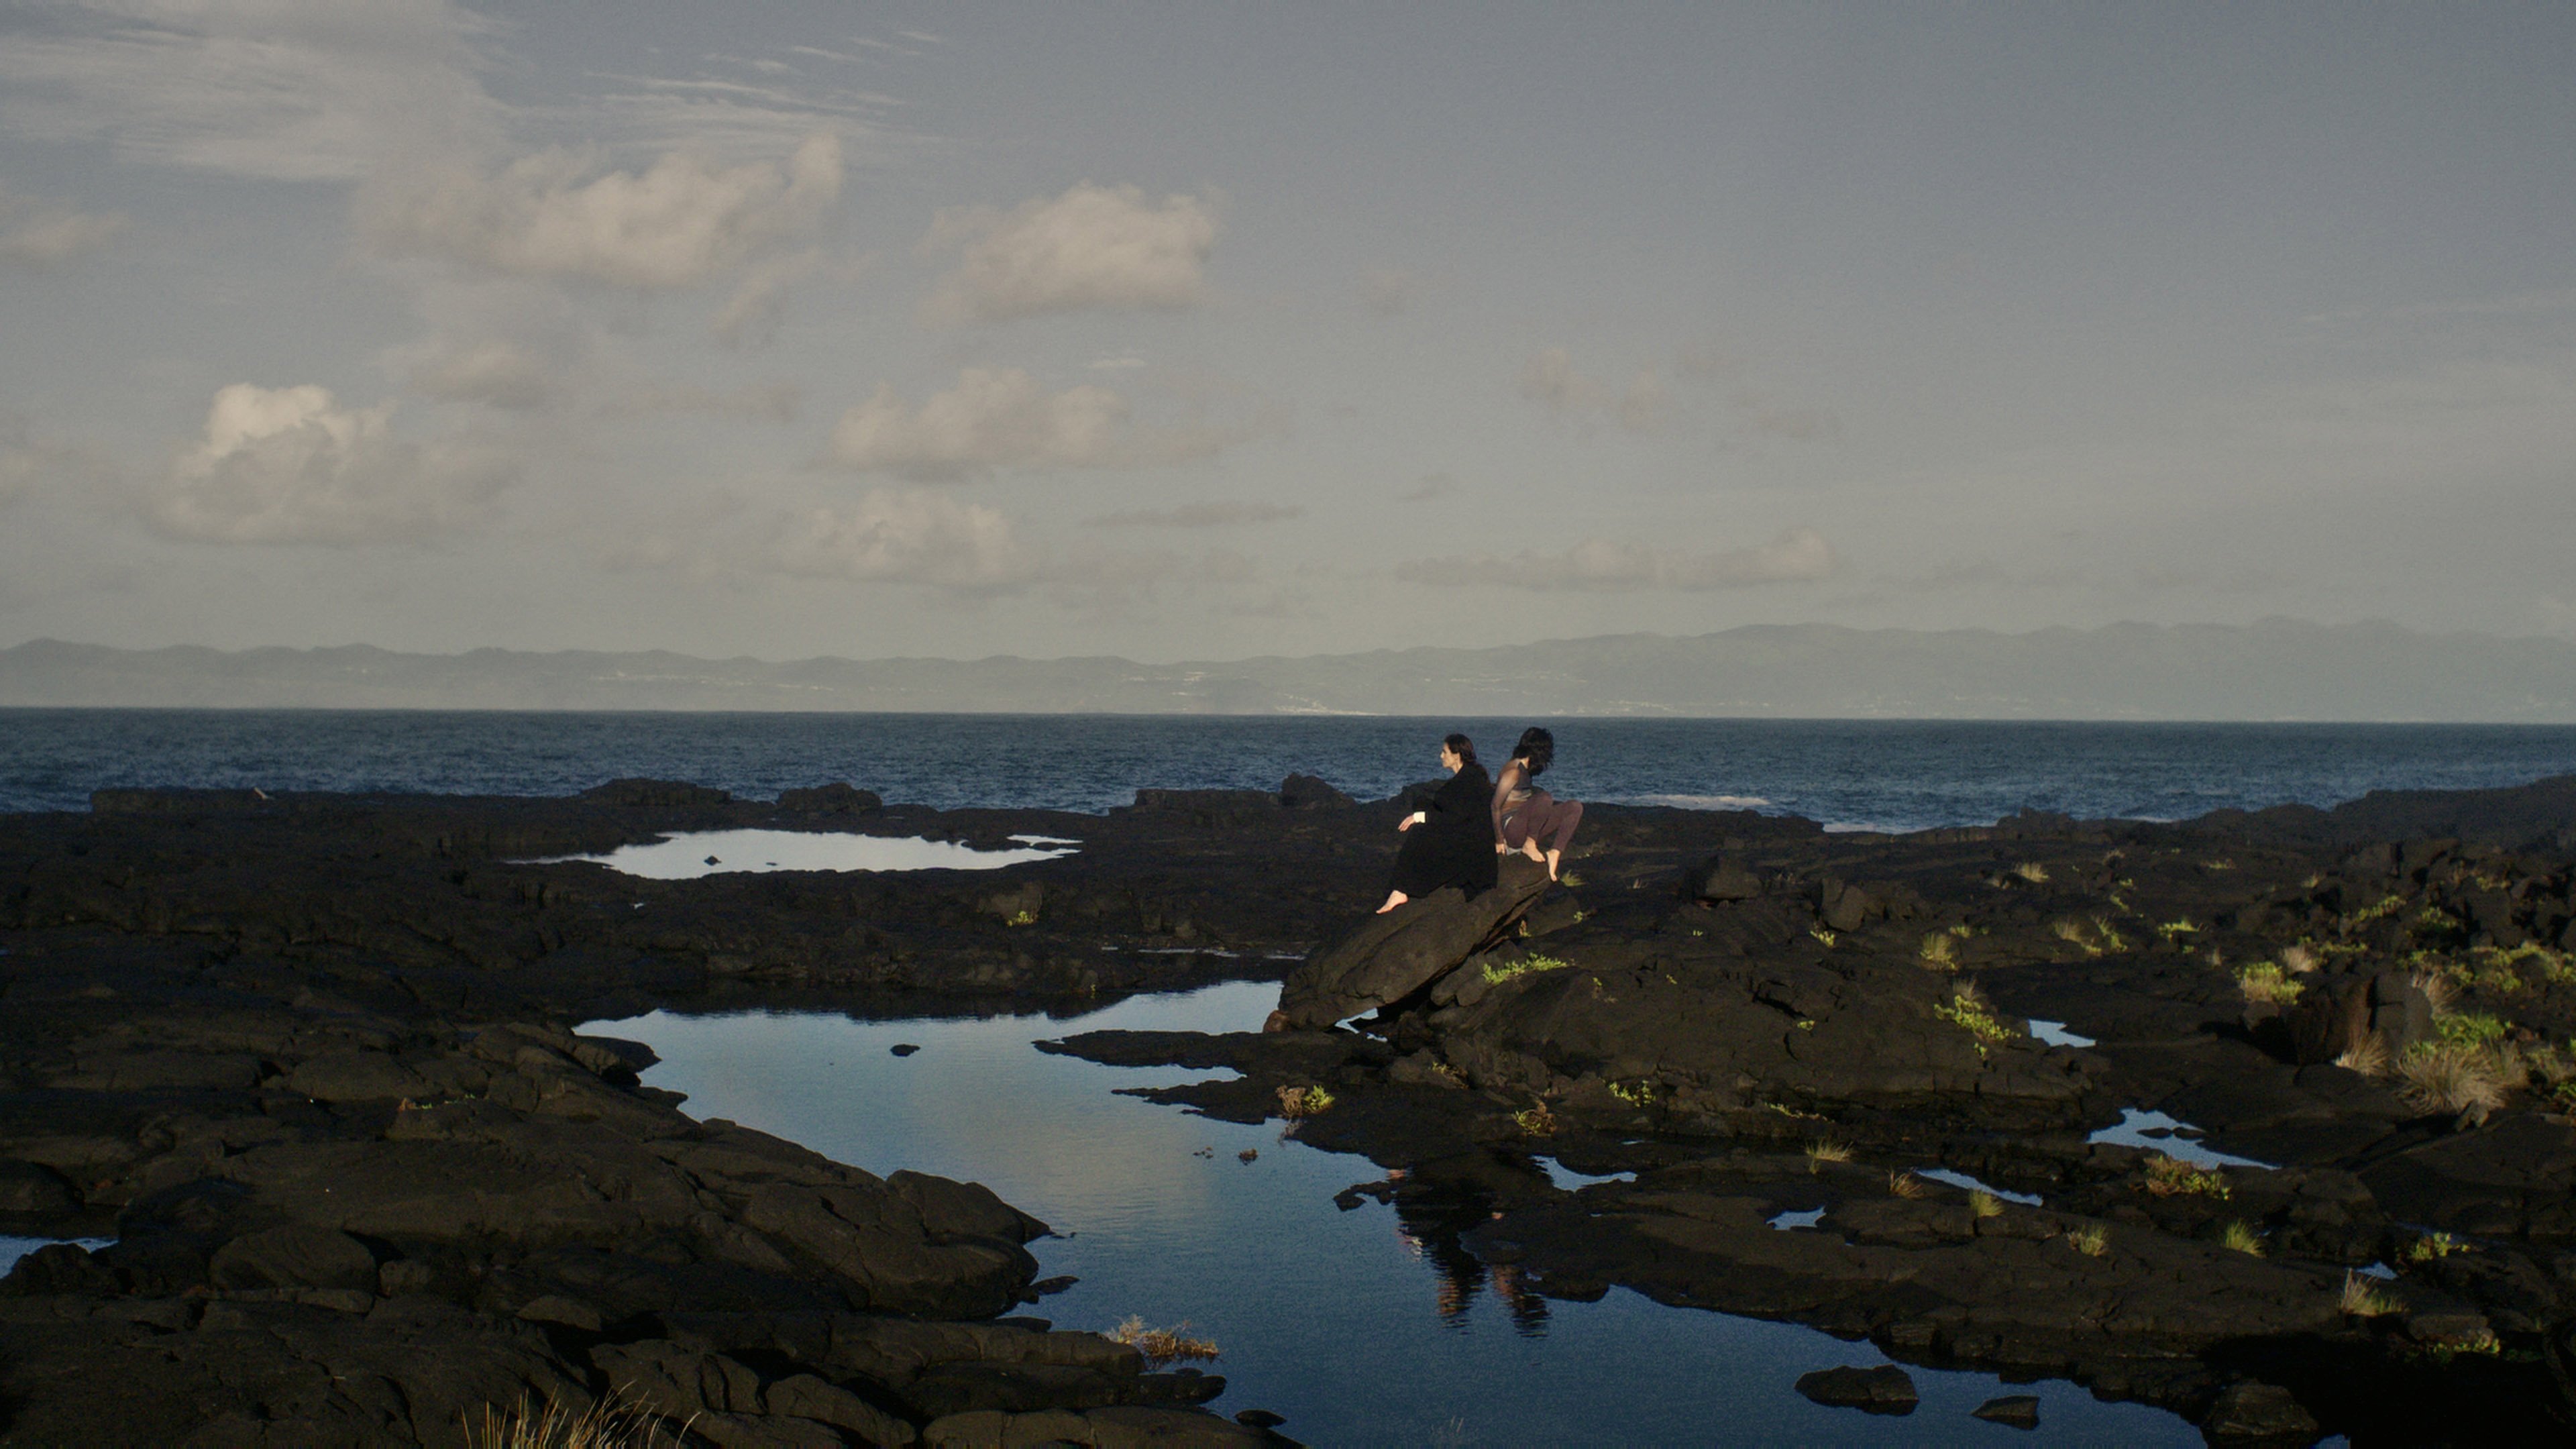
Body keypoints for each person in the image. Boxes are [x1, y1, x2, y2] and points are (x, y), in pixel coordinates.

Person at [1377, 733, 1499, 913]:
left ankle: (1401, 889)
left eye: (1444, 752)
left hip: (1471, 849)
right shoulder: (1471, 777)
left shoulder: (1468, 782)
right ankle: (1401, 889)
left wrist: (1420, 818)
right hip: (1468, 836)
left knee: (1420, 834)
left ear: (1456, 755)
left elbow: (1456, 818)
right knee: (1422, 806)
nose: (1441, 756)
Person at [1491, 726, 1582, 882]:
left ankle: (1554, 853)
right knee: (1545, 797)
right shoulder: (1513, 771)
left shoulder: (1526, 770)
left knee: (1575, 807)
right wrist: (1499, 840)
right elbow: (1495, 806)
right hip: (1512, 830)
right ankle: (1530, 844)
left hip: (1525, 827)